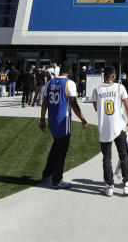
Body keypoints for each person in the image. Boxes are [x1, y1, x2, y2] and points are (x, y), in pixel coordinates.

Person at [39, 61, 89, 189]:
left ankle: (47, 173)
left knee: (56, 147)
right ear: (70, 71)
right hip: (63, 120)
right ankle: (57, 179)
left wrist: (42, 119)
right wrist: (83, 119)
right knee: (61, 152)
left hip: (52, 120)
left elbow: (44, 102)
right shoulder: (69, 83)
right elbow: (73, 103)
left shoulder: (50, 82)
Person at [91, 66, 128, 197]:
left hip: (105, 127)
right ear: (114, 76)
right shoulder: (119, 87)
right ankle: (127, 183)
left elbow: (95, 107)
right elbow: (126, 104)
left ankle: (109, 185)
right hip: (118, 126)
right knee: (123, 155)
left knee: (106, 158)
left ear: (104, 76)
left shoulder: (98, 89)